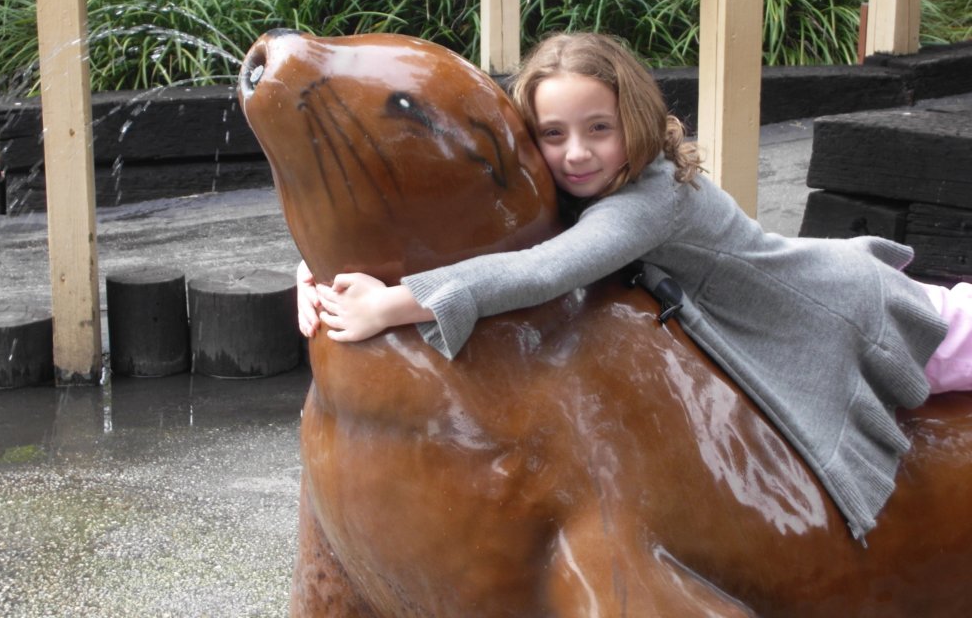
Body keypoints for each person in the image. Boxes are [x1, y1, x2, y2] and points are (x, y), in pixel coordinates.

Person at [297, 32, 972, 540]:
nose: (577, 153)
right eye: (553, 134)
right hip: (793, 317)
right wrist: (321, 277)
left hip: (845, 309)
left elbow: (544, 268)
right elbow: (476, 240)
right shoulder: (582, 189)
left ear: (637, 123)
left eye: (600, 129)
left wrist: (392, 304)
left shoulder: (653, 198)